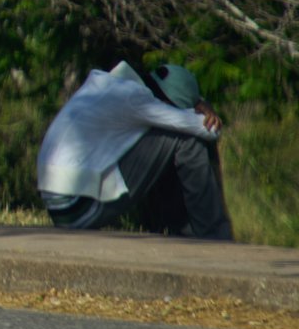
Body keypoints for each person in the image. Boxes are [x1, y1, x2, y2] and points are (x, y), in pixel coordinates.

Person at [38, 62, 231, 240]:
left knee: (168, 139)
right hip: (78, 208)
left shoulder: (107, 85)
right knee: (185, 140)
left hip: (61, 206)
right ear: (166, 100)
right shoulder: (135, 98)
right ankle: (213, 236)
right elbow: (208, 129)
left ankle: (184, 231)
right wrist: (203, 109)